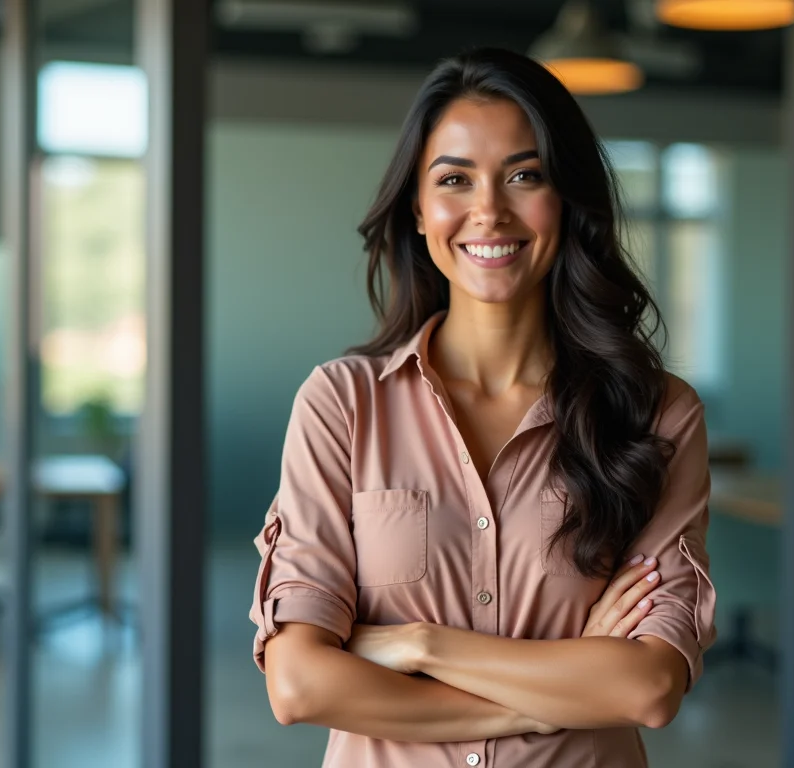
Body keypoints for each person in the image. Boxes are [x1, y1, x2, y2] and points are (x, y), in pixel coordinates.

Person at [248, 48, 717, 767]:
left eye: (524, 176)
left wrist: (416, 644)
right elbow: (300, 685)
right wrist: (572, 678)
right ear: (417, 206)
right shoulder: (342, 405)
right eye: (455, 180)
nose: (489, 211)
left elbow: (648, 686)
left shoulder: (655, 413)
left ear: (566, 197)